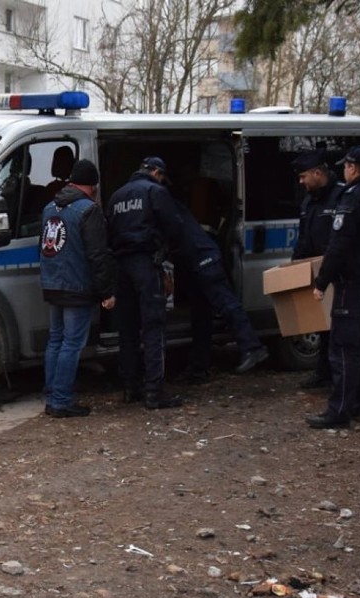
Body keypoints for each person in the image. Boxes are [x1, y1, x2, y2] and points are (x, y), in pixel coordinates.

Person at [306, 146, 360, 429]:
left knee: (344, 348)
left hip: (352, 285)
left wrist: (322, 281)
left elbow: (339, 244)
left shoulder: (353, 198)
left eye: (346, 166)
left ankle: (339, 411)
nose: (344, 171)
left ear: (353, 168)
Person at [40, 159, 115, 418]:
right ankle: (61, 401)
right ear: (92, 185)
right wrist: (106, 292)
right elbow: (97, 255)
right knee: (71, 344)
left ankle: (51, 397)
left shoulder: (50, 206)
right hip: (77, 287)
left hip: (52, 284)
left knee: (55, 341)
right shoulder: (88, 210)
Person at [106, 156, 183, 409]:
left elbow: (109, 232)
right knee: (153, 326)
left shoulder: (117, 196)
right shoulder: (155, 191)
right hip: (146, 264)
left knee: (127, 329)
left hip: (121, 266)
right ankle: (154, 391)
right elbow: (175, 226)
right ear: (156, 172)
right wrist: (167, 252)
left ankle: (130, 388)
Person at [176, 201, 269, 379]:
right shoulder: (165, 200)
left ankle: (252, 348)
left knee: (227, 304)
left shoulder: (160, 201)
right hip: (196, 260)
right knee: (201, 315)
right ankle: (198, 367)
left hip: (203, 258)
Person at [292, 149, 345, 389]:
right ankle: (323, 372)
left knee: (339, 327)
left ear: (317, 172)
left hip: (339, 272)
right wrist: (295, 266)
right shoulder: (309, 200)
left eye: (304, 176)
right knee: (321, 324)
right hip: (315, 270)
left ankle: (339, 375)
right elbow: (304, 238)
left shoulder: (341, 196)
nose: (301, 181)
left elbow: (341, 240)